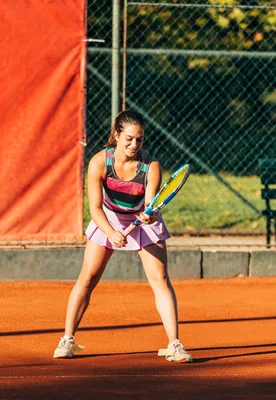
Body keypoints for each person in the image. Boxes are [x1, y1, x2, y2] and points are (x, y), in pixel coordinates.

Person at [53, 110, 193, 363]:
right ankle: (67, 339)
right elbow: (95, 208)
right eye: (128, 138)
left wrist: (148, 215)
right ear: (117, 135)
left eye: (139, 140)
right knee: (88, 277)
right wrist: (111, 232)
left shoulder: (151, 165)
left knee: (160, 279)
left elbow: (151, 203)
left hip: (142, 219)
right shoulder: (98, 163)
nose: (134, 145)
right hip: (109, 218)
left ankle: (175, 344)